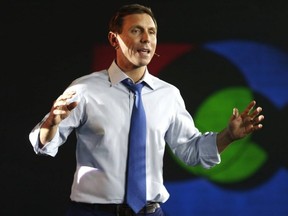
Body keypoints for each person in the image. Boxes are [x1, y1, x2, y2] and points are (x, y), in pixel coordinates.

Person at [29, 3, 264, 216]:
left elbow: (191, 151)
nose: (146, 39)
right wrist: (51, 124)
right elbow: (44, 145)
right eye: (136, 31)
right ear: (114, 39)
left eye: (151, 32)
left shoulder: (168, 95)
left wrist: (229, 136)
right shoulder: (85, 89)